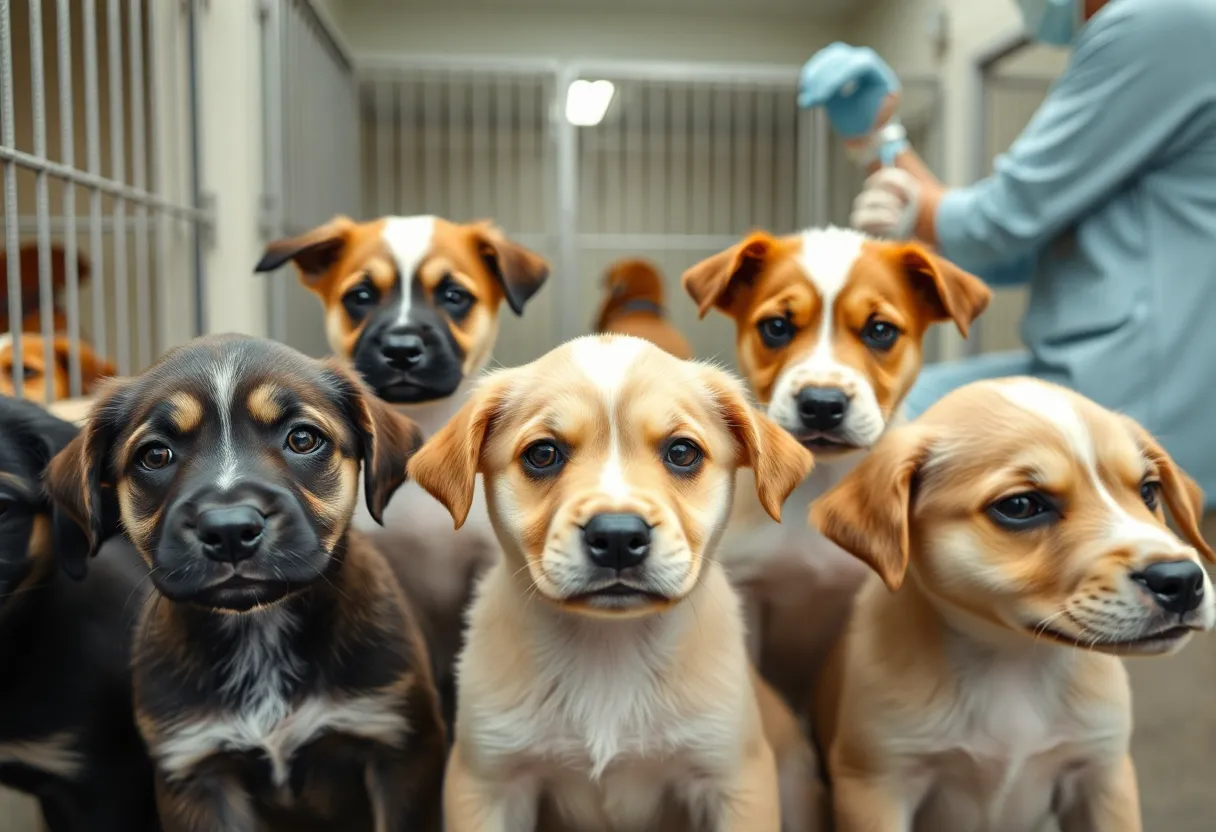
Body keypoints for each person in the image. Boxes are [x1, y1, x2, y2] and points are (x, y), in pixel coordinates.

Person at [810, 0, 1216, 504]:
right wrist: (879, 144)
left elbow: (995, 227)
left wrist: (897, 178)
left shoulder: (1158, 17)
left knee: (893, 429)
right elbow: (1014, 250)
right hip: (1112, 374)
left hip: (1141, 397)